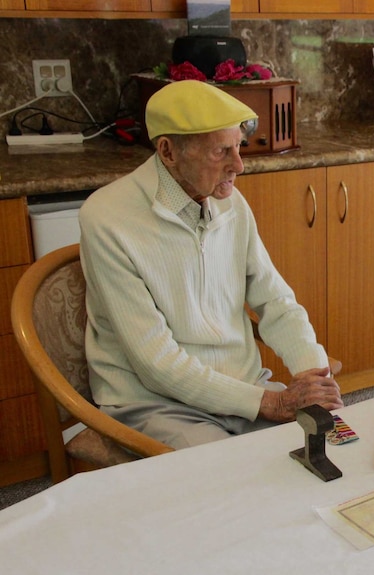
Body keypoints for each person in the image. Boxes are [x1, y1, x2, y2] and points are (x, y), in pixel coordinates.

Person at [79, 80, 343, 449]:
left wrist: (312, 373)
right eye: (222, 152)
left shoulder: (231, 203)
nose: (239, 166)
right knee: (234, 481)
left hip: (243, 386)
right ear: (168, 151)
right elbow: (156, 363)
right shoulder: (108, 218)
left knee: (334, 444)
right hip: (155, 403)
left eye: (239, 147)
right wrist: (269, 402)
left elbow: (276, 302)